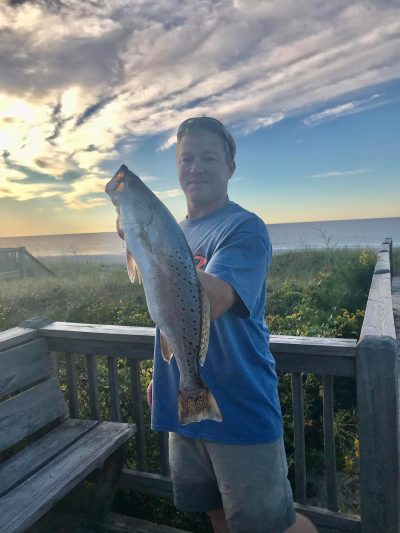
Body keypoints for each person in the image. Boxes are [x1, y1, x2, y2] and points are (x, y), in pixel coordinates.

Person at [147, 117, 318, 533]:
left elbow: (215, 299)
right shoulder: (171, 232)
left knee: (270, 526)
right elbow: (165, 310)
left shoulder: (245, 228)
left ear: (230, 168)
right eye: (187, 159)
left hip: (240, 407)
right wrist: (161, 375)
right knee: (215, 514)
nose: (196, 168)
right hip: (183, 401)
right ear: (177, 168)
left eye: (209, 158)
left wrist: (147, 239)